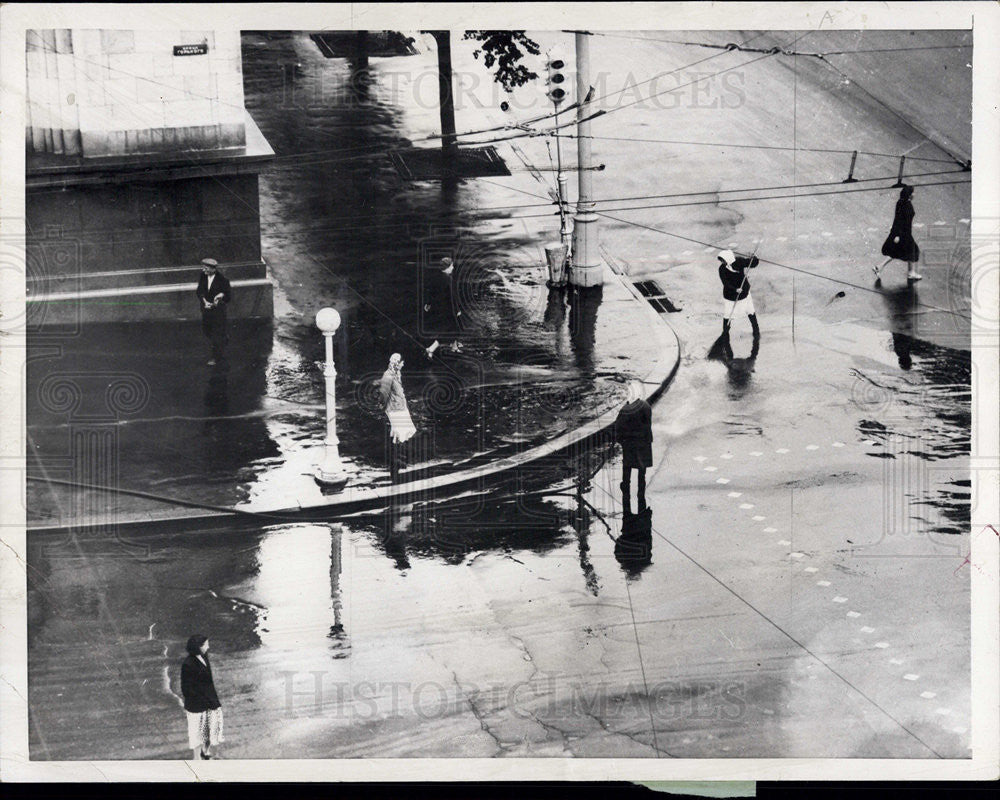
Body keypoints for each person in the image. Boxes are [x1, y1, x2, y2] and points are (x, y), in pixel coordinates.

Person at [180, 634, 223, 760]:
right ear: (198, 647)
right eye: (206, 644)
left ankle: (205, 751)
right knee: (197, 732)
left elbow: (209, 681)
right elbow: (186, 688)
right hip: (196, 704)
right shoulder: (188, 664)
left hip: (209, 700)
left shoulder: (204, 657)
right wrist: (201, 700)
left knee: (210, 728)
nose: (208, 647)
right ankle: (196, 759)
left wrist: (213, 700)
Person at [379, 353, 416, 481]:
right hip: (394, 409)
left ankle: (397, 459)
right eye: (402, 362)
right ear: (397, 363)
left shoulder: (396, 374)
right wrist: (384, 407)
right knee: (399, 433)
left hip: (400, 407)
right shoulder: (388, 376)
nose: (403, 364)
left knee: (401, 433)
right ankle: (395, 461)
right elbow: (383, 394)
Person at [614, 380, 653, 501]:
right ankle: (641, 489)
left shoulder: (626, 409)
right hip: (644, 441)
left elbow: (618, 426)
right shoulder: (646, 406)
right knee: (642, 467)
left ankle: (626, 485)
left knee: (627, 465)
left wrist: (619, 439)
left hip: (630, 443)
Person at [876, 184, 921, 282]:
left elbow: (897, 219)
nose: (914, 194)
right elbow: (902, 221)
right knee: (913, 251)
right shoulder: (907, 205)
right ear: (910, 195)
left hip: (901, 233)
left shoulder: (900, 202)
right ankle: (911, 273)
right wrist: (898, 235)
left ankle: (879, 267)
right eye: (913, 192)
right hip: (904, 234)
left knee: (897, 252)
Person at [195, 258, 231, 366]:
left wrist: (221, 295)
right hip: (206, 310)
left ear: (213, 269)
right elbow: (199, 291)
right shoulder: (203, 276)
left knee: (216, 335)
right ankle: (223, 339)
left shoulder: (223, 280)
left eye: (206, 268)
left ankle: (216, 358)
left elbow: (228, 296)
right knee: (207, 330)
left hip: (218, 312)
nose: (203, 270)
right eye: (203, 267)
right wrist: (204, 301)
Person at [717, 249, 760, 338]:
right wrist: (735, 289)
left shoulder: (739, 261)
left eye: (723, 260)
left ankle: (756, 330)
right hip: (730, 296)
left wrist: (754, 258)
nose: (722, 262)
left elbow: (752, 263)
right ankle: (725, 333)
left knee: (750, 310)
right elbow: (725, 283)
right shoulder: (722, 269)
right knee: (728, 314)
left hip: (744, 292)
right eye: (721, 260)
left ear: (728, 259)